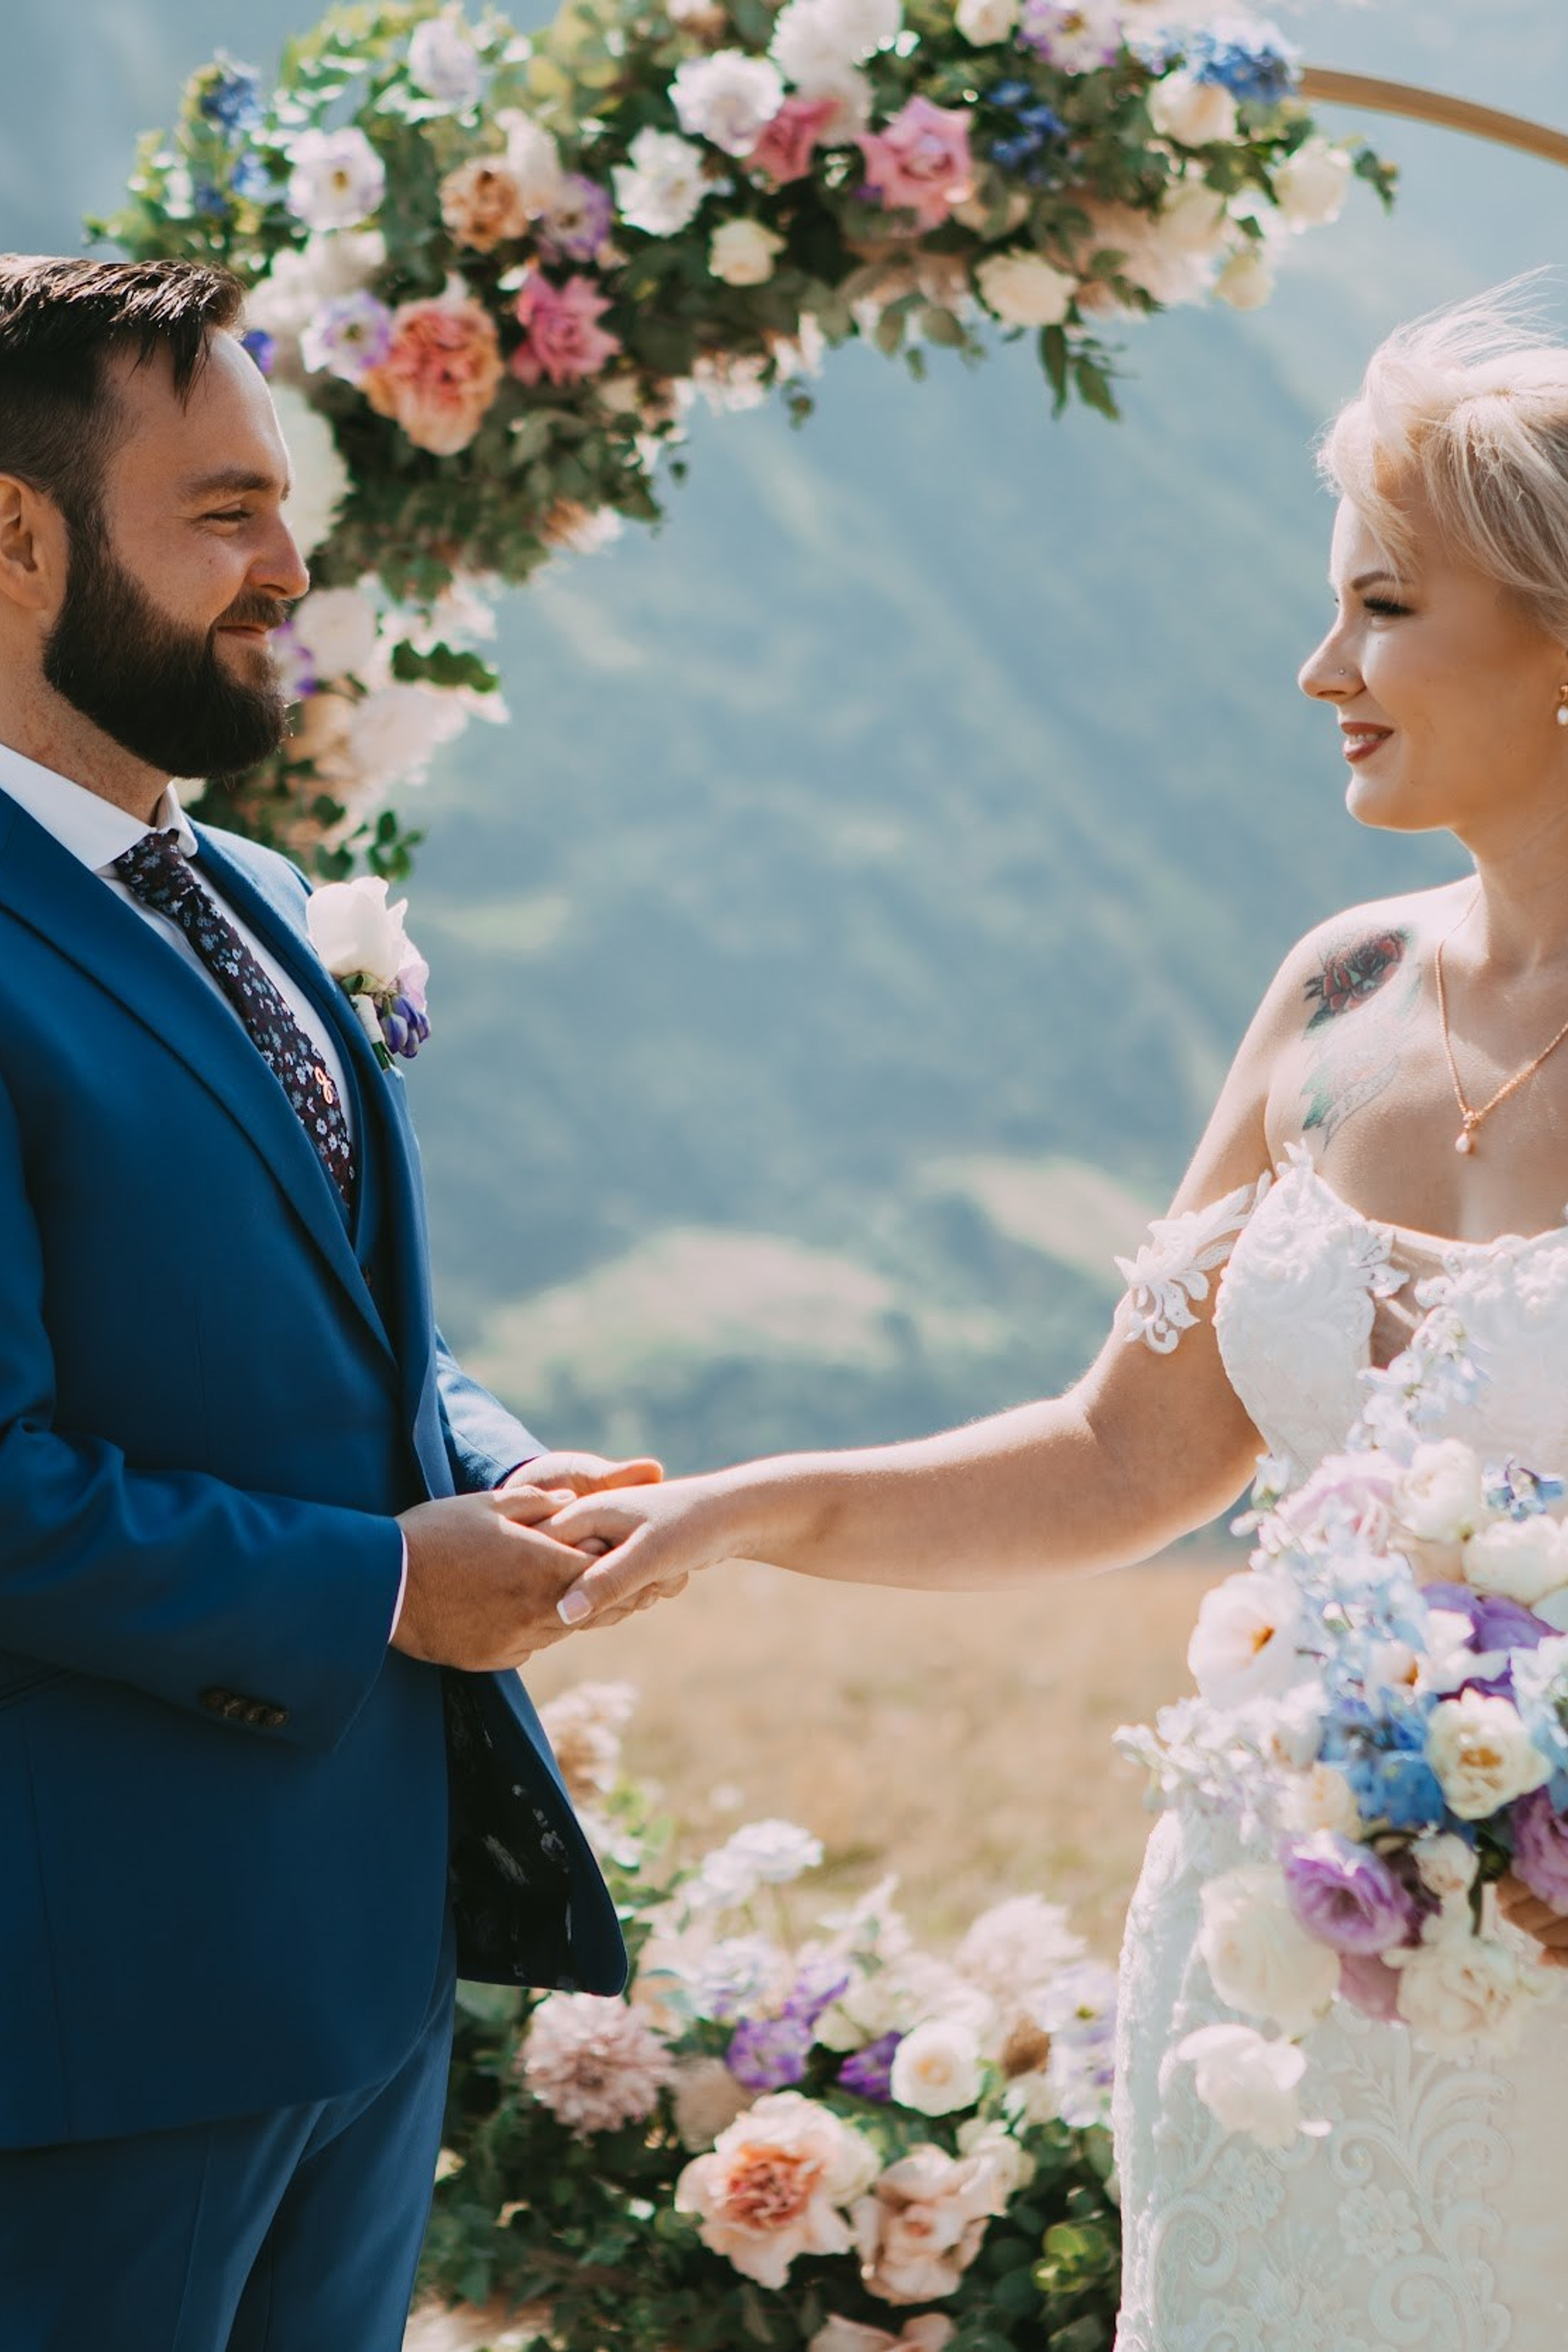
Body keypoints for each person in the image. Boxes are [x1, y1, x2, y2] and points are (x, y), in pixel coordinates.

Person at [550, 288, 1568, 2347]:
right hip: (1273, 1979)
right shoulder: (1340, 992)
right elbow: (1127, 1454)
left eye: (1384, 608)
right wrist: (750, 1507)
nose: (1319, 672)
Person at [0, 254, 668, 2351]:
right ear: (14, 540)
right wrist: (389, 1584)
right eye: (221, 513)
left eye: (282, 505)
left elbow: (341, 1326)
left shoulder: (261, 897)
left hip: (360, 1988)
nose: (290, 565)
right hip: (83, 2030)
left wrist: (495, 1470)